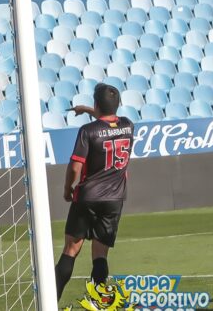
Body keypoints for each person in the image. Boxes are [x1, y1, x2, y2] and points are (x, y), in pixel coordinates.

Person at [54, 83, 134, 302]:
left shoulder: (87, 131)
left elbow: (75, 166)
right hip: (114, 200)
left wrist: (67, 188)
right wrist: (88, 110)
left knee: (70, 250)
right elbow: (108, 122)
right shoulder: (129, 125)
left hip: (87, 197)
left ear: (96, 104)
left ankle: (50, 303)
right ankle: (98, 304)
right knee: (100, 255)